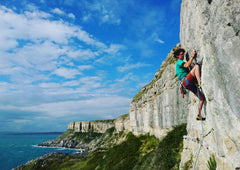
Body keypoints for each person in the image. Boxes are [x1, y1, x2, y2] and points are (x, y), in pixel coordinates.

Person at [174, 48, 206, 121]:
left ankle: (199, 115)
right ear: (177, 56)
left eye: (183, 54)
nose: (183, 55)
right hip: (186, 81)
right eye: (181, 54)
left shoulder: (180, 62)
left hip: (188, 84)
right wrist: (192, 56)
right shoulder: (179, 62)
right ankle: (200, 82)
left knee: (202, 98)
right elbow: (187, 65)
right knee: (197, 66)